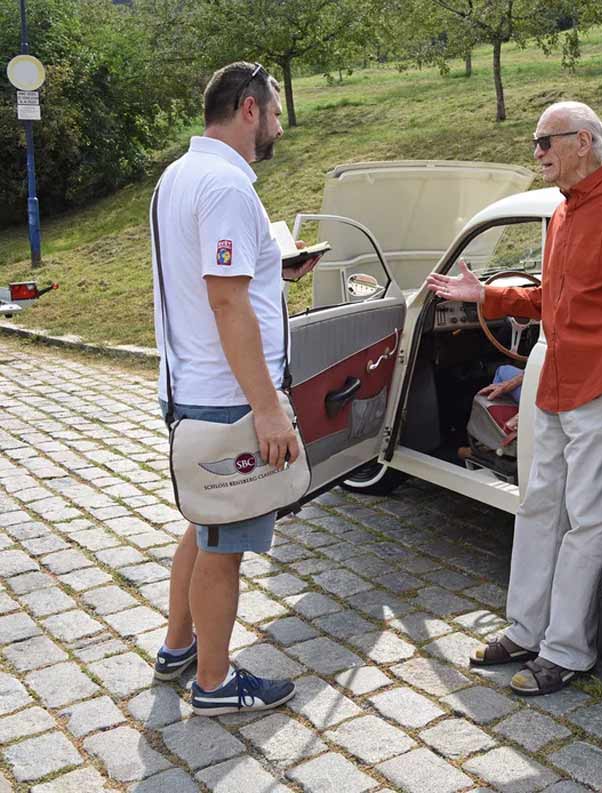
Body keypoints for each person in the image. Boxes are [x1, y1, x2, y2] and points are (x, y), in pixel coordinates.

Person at [426, 100, 602, 695]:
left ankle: (567, 650)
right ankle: (525, 630)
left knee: (587, 521)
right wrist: (485, 293)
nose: (536, 152)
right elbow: (551, 299)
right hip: (556, 387)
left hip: (601, 392)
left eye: (545, 141)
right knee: (538, 509)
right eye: (536, 142)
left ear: (583, 142)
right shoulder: (562, 214)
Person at [151, 62, 319, 716]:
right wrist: (268, 407)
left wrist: (276, 266)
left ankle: (177, 646)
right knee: (225, 543)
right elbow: (226, 304)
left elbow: (212, 280)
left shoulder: (179, 176)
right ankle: (216, 683)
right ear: (249, 109)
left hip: (191, 382)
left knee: (202, 520)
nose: (278, 125)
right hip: (226, 394)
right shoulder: (225, 185)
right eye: (274, 113)